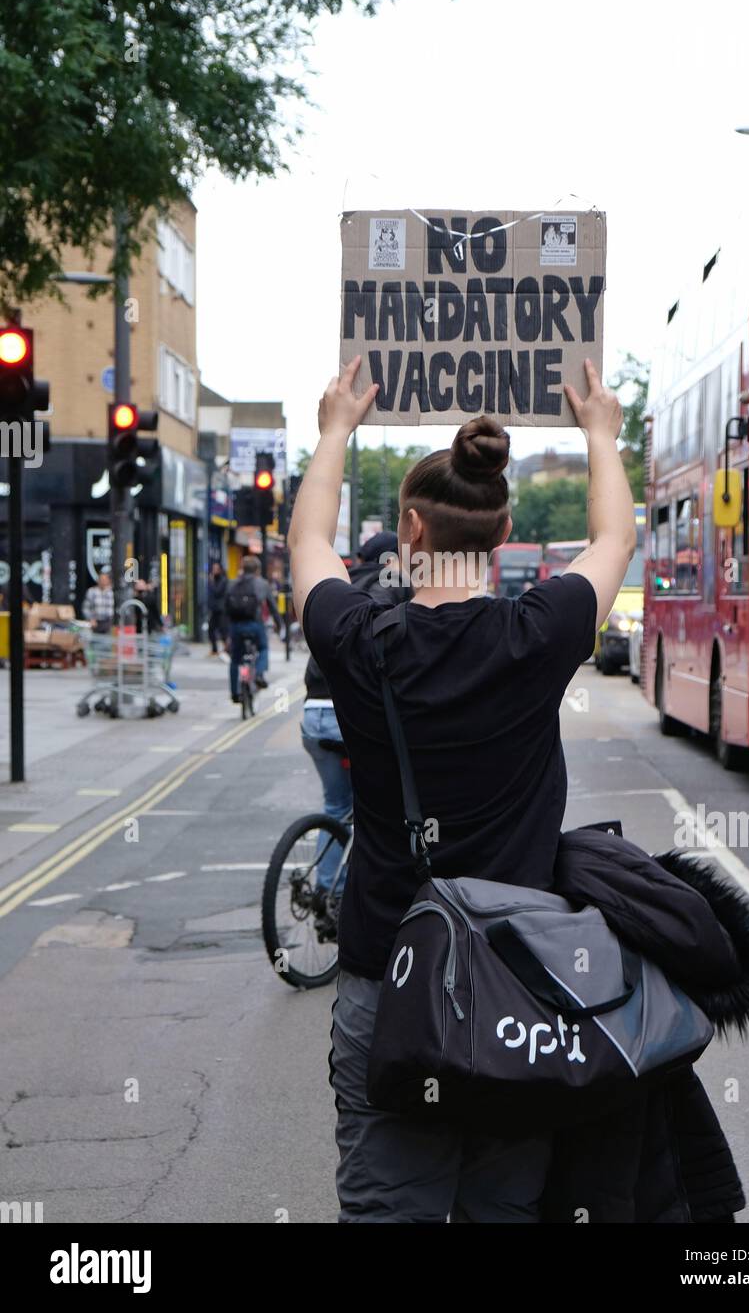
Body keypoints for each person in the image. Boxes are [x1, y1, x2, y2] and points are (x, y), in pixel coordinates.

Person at [289, 355, 637, 1223]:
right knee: (503, 1210)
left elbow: (307, 544)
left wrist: (334, 429)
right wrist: (600, 434)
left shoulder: (360, 638)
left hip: (387, 976)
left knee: (388, 1212)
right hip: (518, 992)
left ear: (408, 530)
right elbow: (614, 540)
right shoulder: (539, 631)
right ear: (505, 526)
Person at [301, 531, 410, 927]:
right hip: (351, 711)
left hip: (312, 712)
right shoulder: (396, 585)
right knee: (382, 809)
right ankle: (352, 902)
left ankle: (324, 889)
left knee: (336, 807)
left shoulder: (342, 583)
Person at [226, 555, 281, 703]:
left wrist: (226, 633)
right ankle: (258, 674)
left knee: (235, 660)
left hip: (236, 627)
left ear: (242, 568)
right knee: (263, 648)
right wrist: (279, 625)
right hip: (254, 625)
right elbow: (273, 608)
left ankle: (234, 692)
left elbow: (226, 609)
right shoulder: (262, 584)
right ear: (257, 570)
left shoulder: (232, 583)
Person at [207, 563, 229, 656]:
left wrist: (211, 582)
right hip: (215, 609)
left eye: (216, 569)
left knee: (223, 630)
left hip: (222, 610)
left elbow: (217, 592)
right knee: (211, 629)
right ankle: (214, 649)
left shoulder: (223, 580)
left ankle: (227, 649)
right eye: (213, 568)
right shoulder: (214, 580)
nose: (214, 570)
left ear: (220, 570)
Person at [82, 567, 114, 634]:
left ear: (109, 580)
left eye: (105, 579)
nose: (103, 581)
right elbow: (86, 608)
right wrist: (90, 619)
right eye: (101, 579)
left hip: (109, 623)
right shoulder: (91, 591)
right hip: (95, 622)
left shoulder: (112, 592)